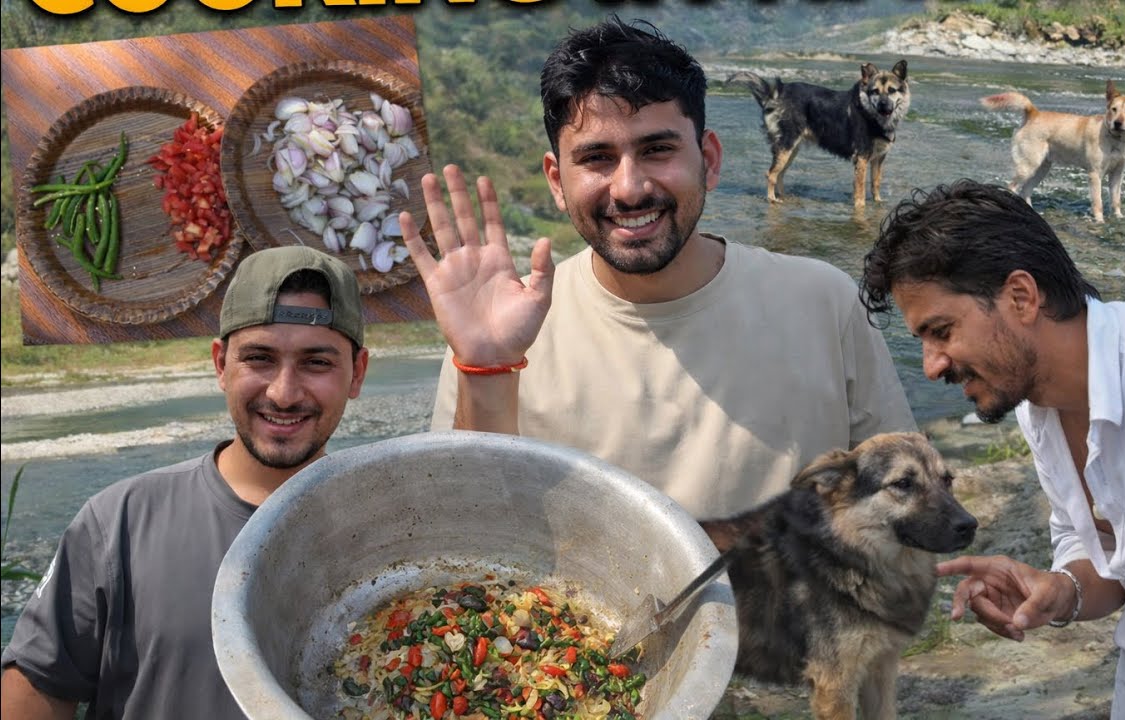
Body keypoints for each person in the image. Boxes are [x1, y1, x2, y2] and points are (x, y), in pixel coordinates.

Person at [399, 16, 916, 519]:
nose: (629, 188)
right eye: (596, 158)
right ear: (556, 181)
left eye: (657, 149)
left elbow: (904, 502)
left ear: (709, 160)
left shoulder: (824, 304)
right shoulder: (504, 333)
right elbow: (464, 533)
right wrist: (487, 366)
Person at [858, 179, 1125, 719]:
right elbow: (1120, 560)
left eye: (941, 331)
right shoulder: (1043, 404)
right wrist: (1062, 590)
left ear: (1021, 297)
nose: (931, 365)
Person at [1, 246, 370, 719]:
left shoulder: (383, 534)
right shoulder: (119, 522)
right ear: (220, 365)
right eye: (259, 358)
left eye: (317, 362)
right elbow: (37, 689)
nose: (283, 392)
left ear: (356, 373)